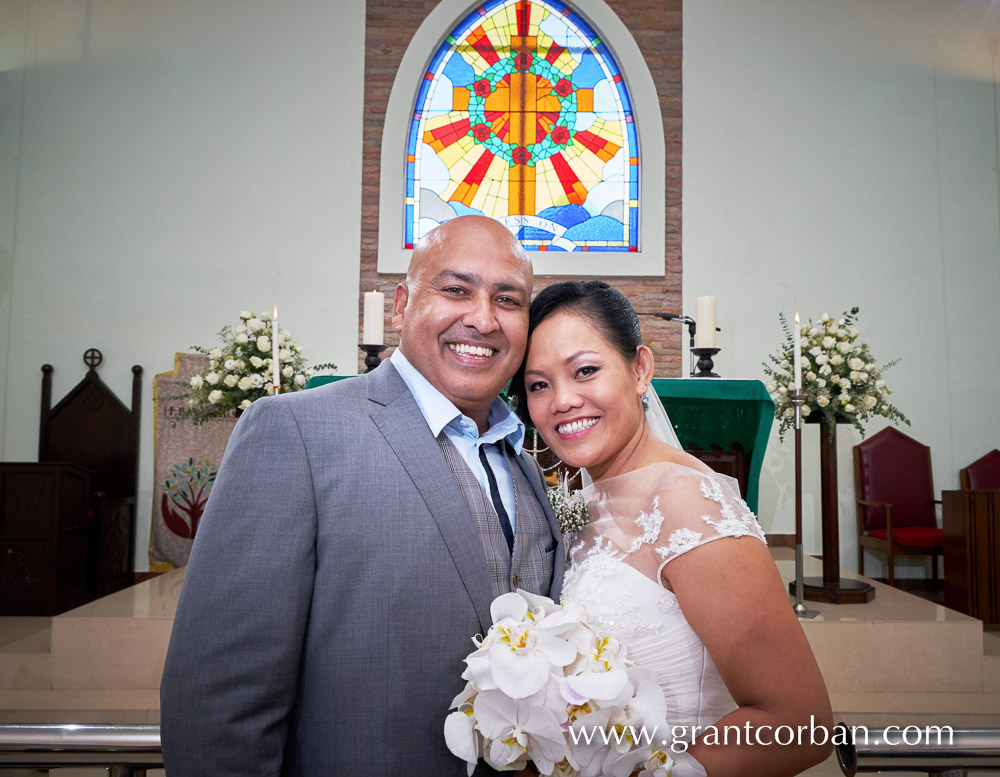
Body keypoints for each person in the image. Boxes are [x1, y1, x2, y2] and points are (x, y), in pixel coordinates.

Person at [160, 215, 565, 776]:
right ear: (400, 306)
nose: (482, 318)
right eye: (455, 289)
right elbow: (222, 690)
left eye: (508, 299)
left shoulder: (522, 457)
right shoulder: (297, 431)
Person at [510, 280, 833, 777]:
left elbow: (800, 726)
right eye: (538, 384)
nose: (562, 400)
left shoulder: (687, 504)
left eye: (585, 371)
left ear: (640, 369)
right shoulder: (584, 501)